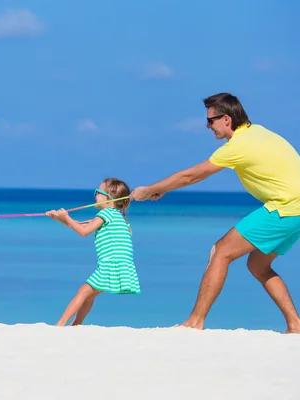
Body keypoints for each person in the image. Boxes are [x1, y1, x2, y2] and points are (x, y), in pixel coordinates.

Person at [130, 92, 300, 333]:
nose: (208, 126)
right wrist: (163, 191)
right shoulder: (257, 132)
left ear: (227, 119)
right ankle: (296, 325)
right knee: (258, 266)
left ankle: (195, 322)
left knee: (220, 252)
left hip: (285, 206)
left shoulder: (238, 145)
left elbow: (191, 175)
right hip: (296, 211)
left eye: (211, 120)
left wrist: (150, 190)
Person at [46, 178, 140, 326]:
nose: (94, 195)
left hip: (110, 265)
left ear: (108, 198)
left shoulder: (105, 214)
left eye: (97, 192)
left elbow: (83, 231)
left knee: (83, 292)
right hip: (120, 266)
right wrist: (59, 219)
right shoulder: (116, 216)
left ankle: (60, 324)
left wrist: (66, 217)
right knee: (89, 296)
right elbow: (79, 225)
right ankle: (76, 324)